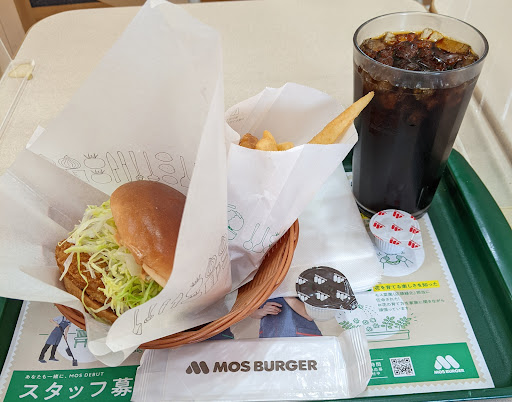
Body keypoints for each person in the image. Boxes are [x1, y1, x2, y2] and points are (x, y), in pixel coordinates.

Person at [250, 296, 322, 338]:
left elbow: (310, 315)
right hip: (269, 337)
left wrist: (285, 294)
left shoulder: (299, 278)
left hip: (299, 337)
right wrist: (263, 311)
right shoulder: (259, 283)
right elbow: (251, 313)